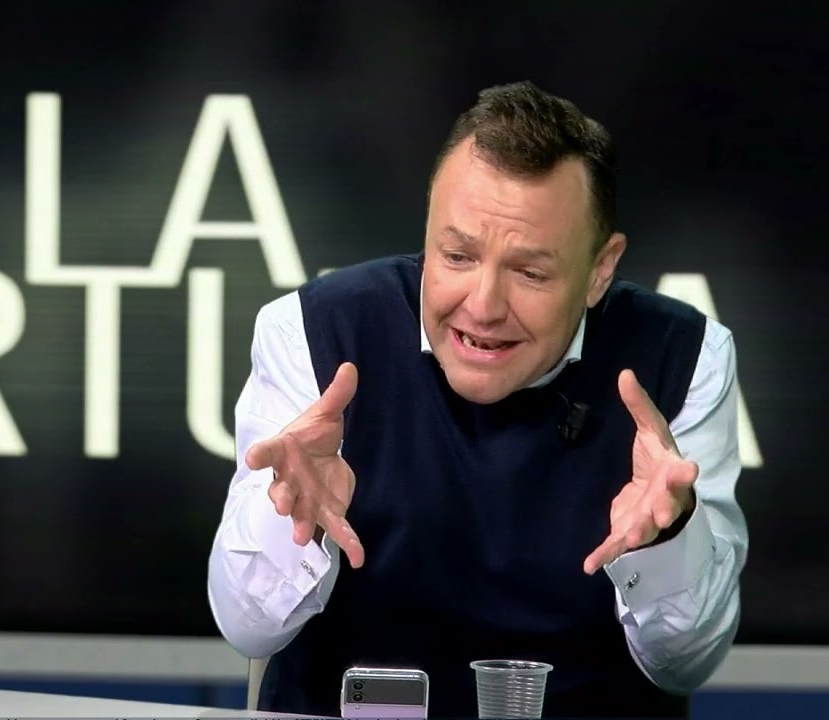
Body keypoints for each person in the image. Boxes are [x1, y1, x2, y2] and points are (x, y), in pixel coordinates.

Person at [206, 80, 748, 719]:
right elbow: (245, 629)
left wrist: (668, 538)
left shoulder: (684, 358)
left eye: (530, 273)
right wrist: (294, 520)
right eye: (457, 256)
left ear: (600, 269)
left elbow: (687, 663)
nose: (483, 306)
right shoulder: (314, 332)